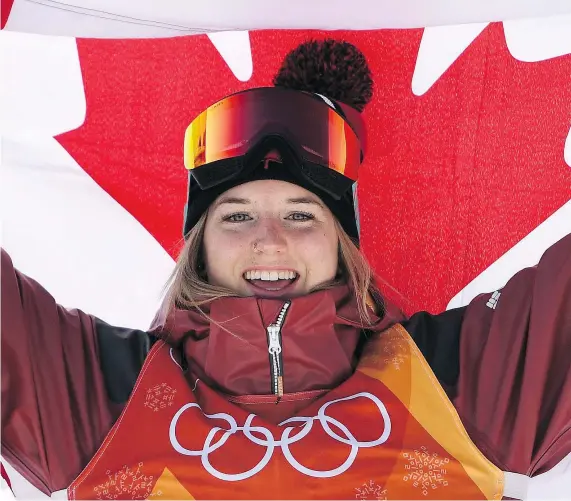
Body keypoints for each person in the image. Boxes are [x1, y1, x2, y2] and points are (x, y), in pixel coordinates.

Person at [1, 39, 570, 500]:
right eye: (236, 215)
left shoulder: (465, 383)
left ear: (342, 244)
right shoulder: (95, 394)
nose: (268, 241)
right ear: (197, 247)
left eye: (301, 215)